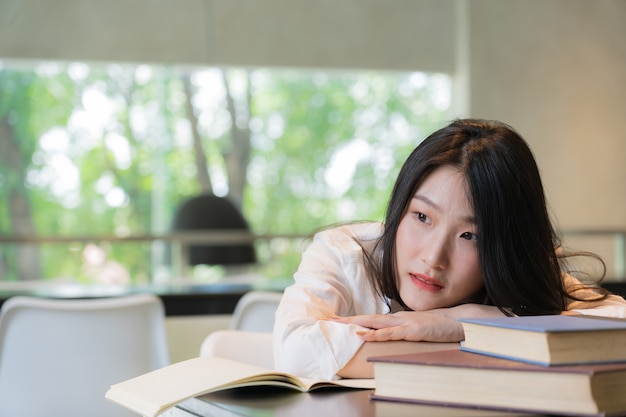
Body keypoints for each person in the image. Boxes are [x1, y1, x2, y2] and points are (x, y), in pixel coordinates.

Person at [272, 118, 626, 380]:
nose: (433, 257)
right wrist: (481, 339)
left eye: (471, 236)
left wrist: (462, 321)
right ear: (400, 208)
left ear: (504, 249)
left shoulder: (524, 273)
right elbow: (295, 352)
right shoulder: (344, 252)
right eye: (422, 216)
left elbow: (618, 330)